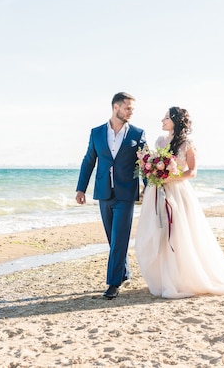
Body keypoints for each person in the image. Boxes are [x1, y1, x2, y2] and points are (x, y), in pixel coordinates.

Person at [135, 106, 224, 299]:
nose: (162, 120)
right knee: (158, 232)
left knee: (178, 234)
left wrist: (169, 177)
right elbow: (153, 165)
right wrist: (154, 174)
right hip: (157, 191)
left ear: (175, 120)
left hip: (178, 192)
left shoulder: (187, 144)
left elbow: (192, 171)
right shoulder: (159, 141)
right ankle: (164, 276)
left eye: (166, 118)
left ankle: (182, 277)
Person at [76, 92, 147, 300]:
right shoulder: (97, 133)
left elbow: (145, 162)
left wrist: (148, 187)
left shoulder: (137, 133)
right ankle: (123, 272)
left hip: (126, 193)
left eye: (132, 109)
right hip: (104, 192)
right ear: (116, 107)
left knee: (119, 238)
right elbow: (89, 161)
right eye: (128, 108)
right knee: (113, 239)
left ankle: (113, 284)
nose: (131, 112)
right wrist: (81, 189)